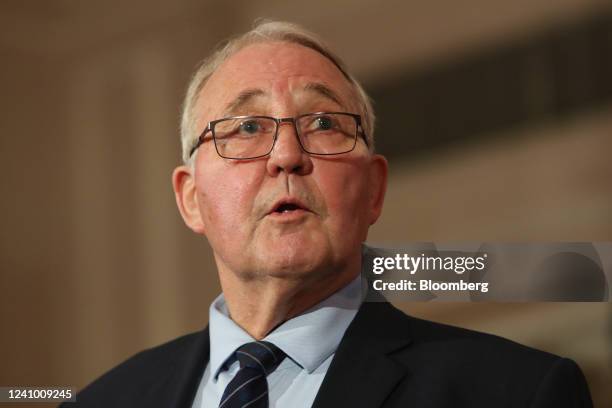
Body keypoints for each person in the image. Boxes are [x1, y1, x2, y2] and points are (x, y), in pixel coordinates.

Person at [65, 20, 593, 408]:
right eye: (247, 128)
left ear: (373, 190)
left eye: (323, 123)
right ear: (191, 198)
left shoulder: (515, 392)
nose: (287, 155)